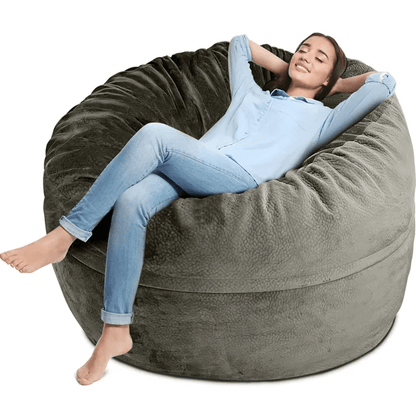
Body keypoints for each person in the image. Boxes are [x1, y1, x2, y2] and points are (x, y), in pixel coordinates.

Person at [0, 33, 396, 386]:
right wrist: (288, 67)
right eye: (303, 49)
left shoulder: (324, 118)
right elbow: (239, 45)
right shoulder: (250, 94)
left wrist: (337, 85)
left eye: (320, 58)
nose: (306, 56)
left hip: (238, 177)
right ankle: (115, 330)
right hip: (194, 166)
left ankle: (66, 235)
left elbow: (384, 83)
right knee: (133, 201)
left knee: (156, 136)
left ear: (329, 78)